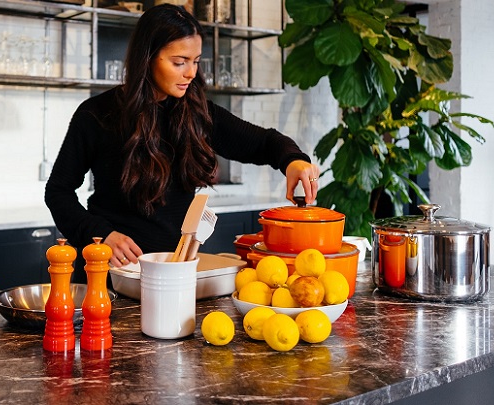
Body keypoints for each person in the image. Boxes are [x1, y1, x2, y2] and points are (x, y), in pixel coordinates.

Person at [45, 4, 320, 278]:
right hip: (108, 276)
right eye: (179, 62)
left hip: (173, 275)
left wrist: (293, 161)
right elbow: (58, 192)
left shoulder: (198, 113)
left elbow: (265, 143)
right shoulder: (97, 115)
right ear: (148, 58)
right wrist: (101, 235)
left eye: (196, 61)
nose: (191, 72)